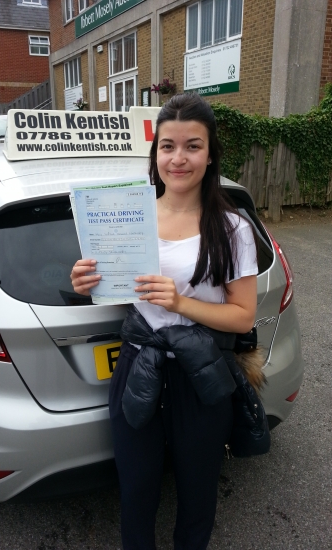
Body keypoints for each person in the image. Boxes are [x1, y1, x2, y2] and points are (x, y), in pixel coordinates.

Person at [70, 93, 258, 550]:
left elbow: (242, 315)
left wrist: (180, 303)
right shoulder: (126, 216)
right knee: (136, 492)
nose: (179, 158)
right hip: (138, 368)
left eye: (192, 146)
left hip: (200, 377)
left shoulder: (232, 228)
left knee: (197, 495)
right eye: (168, 146)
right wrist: (84, 281)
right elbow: (110, 285)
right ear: (155, 154)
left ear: (210, 154)